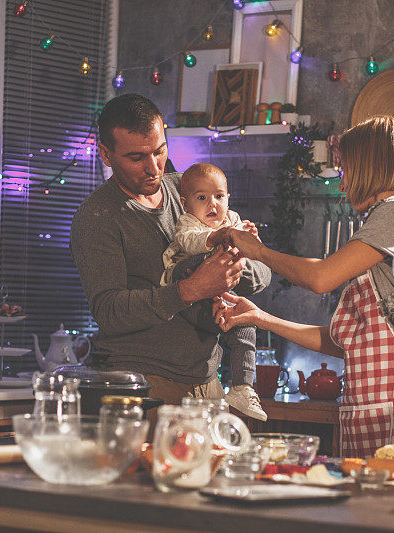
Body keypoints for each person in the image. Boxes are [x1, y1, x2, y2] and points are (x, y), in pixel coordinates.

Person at [215, 115, 394, 461]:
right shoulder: (392, 222)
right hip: (379, 409)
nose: (343, 184)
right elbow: (348, 343)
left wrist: (260, 252)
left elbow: (321, 278)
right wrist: (260, 317)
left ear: (370, 166)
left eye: (346, 169)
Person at [70, 93, 271, 414]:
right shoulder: (98, 216)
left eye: (159, 151)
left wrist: (236, 260)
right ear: (106, 155)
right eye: (136, 158)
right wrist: (190, 290)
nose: (153, 168)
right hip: (141, 383)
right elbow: (108, 310)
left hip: (207, 382)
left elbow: (261, 278)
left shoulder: (192, 189)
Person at [160, 162, 266, 421]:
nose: (212, 204)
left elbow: (259, 265)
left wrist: (251, 239)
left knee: (246, 324)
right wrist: (219, 237)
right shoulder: (187, 222)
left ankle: (243, 387)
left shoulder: (233, 221)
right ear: (186, 204)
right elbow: (191, 242)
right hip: (188, 290)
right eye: (202, 198)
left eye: (219, 197)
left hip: (221, 295)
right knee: (201, 262)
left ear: (228, 199)